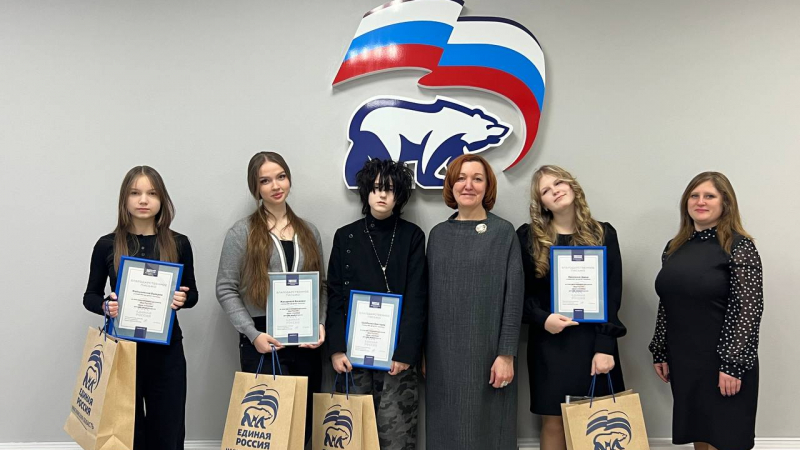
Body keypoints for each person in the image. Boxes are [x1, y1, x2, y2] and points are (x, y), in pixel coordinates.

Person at [83, 166, 198, 450]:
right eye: (135, 193)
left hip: (167, 352)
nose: (143, 200)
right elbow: (90, 296)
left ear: (162, 200)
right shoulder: (107, 245)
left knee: (168, 430)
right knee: (125, 432)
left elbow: (193, 294)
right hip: (122, 352)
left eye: (151, 193)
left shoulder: (179, 243)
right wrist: (106, 306)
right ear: (125, 199)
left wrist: (182, 299)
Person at [215, 151, 326, 444]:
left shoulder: (309, 231)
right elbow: (225, 288)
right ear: (255, 188)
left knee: (303, 426)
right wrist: (253, 334)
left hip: (305, 341)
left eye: (281, 177)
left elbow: (322, 286)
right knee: (267, 433)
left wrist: (320, 323)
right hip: (263, 340)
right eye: (265, 181)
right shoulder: (242, 232)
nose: (276, 186)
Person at [649, 172, 763, 450]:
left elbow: (748, 310)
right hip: (684, 359)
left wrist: (732, 364)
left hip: (724, 360)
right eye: (694, 195)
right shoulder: (674, 248)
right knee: (698, 432)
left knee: (726, 437)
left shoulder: (739, 246)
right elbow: (667, 302)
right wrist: (660, 349)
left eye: (709, 196)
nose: (700, 201)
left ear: (725, 203)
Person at [517, 165, 626, 450]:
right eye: (545, 190)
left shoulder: (604, 233)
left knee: (598, 422)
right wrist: (543, 319)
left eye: (559, 183)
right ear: (542, 203)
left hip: (593, 343)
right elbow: (517, 294)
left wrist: (605, 346)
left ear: (572, 186)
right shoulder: (528, 238)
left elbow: (613, 294)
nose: (554, 191)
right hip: (549, 344)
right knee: (553, 421)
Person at [326, 158, 427, 450]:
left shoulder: (412, 236)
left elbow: (417, 297)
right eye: (377, 187)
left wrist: (406, 352)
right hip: (351, 355)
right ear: (366, 191)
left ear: (400, 196)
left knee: (397, 438)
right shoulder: (345, 236)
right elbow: (334, 294)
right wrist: (336, 349)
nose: (382, 194)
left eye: (390, 189)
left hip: (396, 357)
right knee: (351, 436)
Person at [425, 154, 523, 450]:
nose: (468, 185)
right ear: (451, 186)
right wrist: (423, 354)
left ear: (487, 186)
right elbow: (428, 300)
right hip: (442, 358)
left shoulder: (503, 232)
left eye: (477, 179)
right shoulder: (437, 235)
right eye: (461, 178)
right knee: (445, 434)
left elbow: (514, 298)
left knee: (488, 434)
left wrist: (506, 354)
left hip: (489, 356)